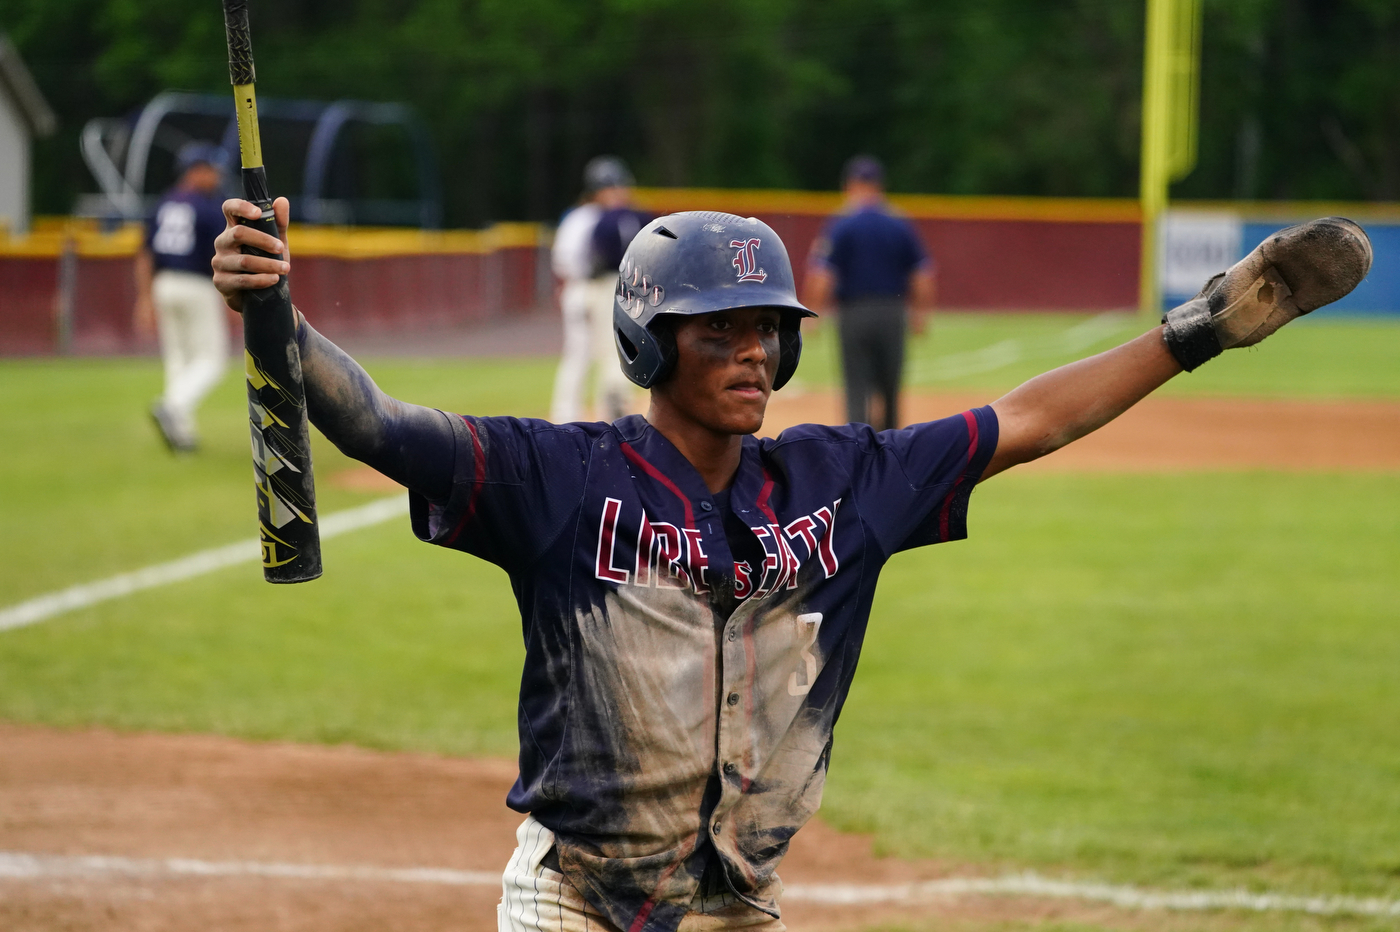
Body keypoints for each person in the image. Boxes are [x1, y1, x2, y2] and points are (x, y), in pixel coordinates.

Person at [212, 195, 1370, 932]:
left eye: (766, 328)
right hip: (577, 902)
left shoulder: (839, 481)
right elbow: (375, 423)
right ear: (647, 343)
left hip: (740, 906)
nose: (753, 351)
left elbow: (1028, 420)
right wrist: (281, 320)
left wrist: (1199, 328)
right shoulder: (554, 478)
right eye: (719, 329)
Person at [805, 155, 935, 431]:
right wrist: (921, 314)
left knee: (856, 385)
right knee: (890, 387)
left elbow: (823, 274)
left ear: (851, 185)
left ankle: (856, 449)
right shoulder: (899, 223)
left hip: (854, 314)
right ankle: (890, 450)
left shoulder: (842, 224)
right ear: (879, 185)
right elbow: (922, 274)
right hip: (892, 311)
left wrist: (813, 314)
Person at [135, 141, 232, 452]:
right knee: (212, 361)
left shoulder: (164, 202)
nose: (216, 177)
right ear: (195, 171)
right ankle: (172, 406)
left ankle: (182, 435)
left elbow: (146, 253)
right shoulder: (207, 206)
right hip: (197, 285)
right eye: (210, 170)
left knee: (179, 360)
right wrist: (230, 295)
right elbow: (221, 254)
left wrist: (145, 296)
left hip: (164, 283)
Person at [550, 157, 629, 423]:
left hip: (607, 291)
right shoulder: (582, 218)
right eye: (612, 187)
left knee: (610, 355)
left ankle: (609, 417)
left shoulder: (614, 216)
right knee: (580, 355)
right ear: (598, 189)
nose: (618, 192)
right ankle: (565, 419)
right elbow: (563, 261)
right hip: (583, 288)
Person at [586, 161, 654, 421]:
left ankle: (614, 397)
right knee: (636, 342)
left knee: (608, 346)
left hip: (610, 285)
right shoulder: (643, 216)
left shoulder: (602, 220)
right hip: (641, 285)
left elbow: (596, 260)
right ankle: (625, 396)